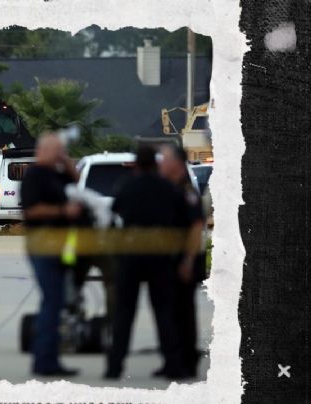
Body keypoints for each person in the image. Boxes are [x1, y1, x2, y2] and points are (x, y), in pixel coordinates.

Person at [104, 145, 188, 380]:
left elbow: (113, 213)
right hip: (159, 254)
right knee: (163, 312)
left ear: (137, 165)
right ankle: (173, 364)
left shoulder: (127, 186)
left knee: (124, 313)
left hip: (131, 254)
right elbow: (180, 219)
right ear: (155, 163)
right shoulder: (168, 188)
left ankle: (114, 366)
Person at [20, 133, 84, 377]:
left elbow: (77, 180)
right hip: (42, 245)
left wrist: (65, 159)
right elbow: (32, 210)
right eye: (55, 150)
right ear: (43, 150)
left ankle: (48, 358)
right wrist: (62, 210)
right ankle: (44, 360)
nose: (59, 154)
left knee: (55, 302)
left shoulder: (55, 174)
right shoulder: (34, 175)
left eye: (61, 150)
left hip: (60, 246)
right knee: (52, 301)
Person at [158, 144, 206, 378]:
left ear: (176, 163)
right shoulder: (170, 189)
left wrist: (187, 261)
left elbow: (197, 227)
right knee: (172, 314)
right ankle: (173, 363)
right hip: (170, 262)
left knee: (183, 313)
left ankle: (185, 362)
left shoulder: (186, 192)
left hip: (184, 263)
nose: (161, 164)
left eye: (165, 159)